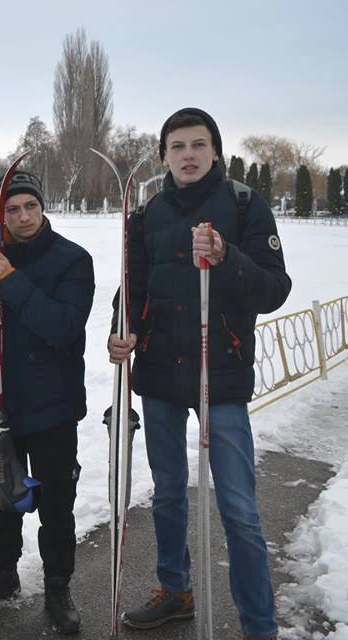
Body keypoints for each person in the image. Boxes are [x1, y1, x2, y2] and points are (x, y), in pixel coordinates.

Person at [108, 107, 290, 640]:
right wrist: (124, 330)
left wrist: (227, 255)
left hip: (222, 375)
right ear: (164, 155)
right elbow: (134, 287)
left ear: (216, 151)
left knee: (238, 508)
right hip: (161, 377)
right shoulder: (148, 215)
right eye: (177, 146)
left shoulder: (244, 205)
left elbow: (275, 288)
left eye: (198, 145)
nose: (188, 155)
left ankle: (260, 625)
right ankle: (176, 591)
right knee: (167, 494)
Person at [0, 172, 94, 633]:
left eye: (29, 208)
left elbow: (63, 326)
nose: (22, 217)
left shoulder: (74, 259)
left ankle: (58, 585)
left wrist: (12, 283)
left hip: (54, 405)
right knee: (4, 497)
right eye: (12, 210)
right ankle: (4, 571)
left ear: (43, 207)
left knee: (57, 501)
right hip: (4, 402)